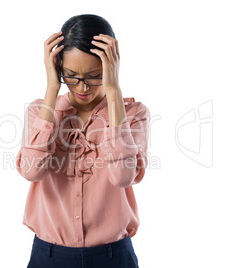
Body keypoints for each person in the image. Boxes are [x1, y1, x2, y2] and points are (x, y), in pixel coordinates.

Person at [16, 14, 150, 268]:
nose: (83, 87)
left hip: (113, 256)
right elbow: (32, 171)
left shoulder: (133, 114)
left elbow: (122, 177)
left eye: (94, 75)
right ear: (58, 69)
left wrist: (113, 91)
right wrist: (52, 90)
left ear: (110, 68)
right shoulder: (40, 111)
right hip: (49, 255)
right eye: (71, 75)